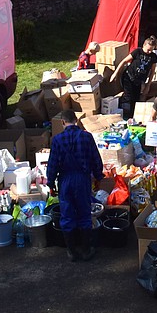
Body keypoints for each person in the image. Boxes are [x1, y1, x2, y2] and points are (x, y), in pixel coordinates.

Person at [47, 109, 104, 261]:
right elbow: (95, 160)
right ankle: (85, 250)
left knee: (67, 214)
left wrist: (50, 183)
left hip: (65, 180)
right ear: (76, 120)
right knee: (84, 214)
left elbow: (52, 164)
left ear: (63, 122)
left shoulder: (57, 140)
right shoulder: (87, 137)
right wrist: (98, 177)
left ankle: (71, 251)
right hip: (82, 179)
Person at [113, 36, 157, 120]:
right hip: (128, 77)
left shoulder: (153, 57)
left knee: (136, 98)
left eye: (151, 50)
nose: (149, 52)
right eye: (148, 49)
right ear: (144, 46)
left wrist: (148, 85)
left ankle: (133, 117)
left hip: (139, 81)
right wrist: (115, 73)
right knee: (128, 97)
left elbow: (152, 71)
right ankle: (125, 117)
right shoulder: (137, 52)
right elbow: (124, 61)